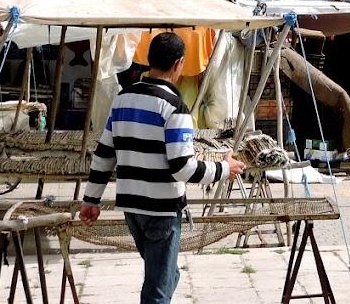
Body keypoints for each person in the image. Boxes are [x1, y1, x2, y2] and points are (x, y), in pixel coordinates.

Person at [80, 31, 246, 304]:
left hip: (132, 209)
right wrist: (224, 169)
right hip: (161, 211)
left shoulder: (122, 99)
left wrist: (91, 200)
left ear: (148, 60)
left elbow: (103, 155)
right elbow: (183, 168)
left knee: (167, 275)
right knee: (157, 290)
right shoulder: (175, 107)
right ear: (180, 63)